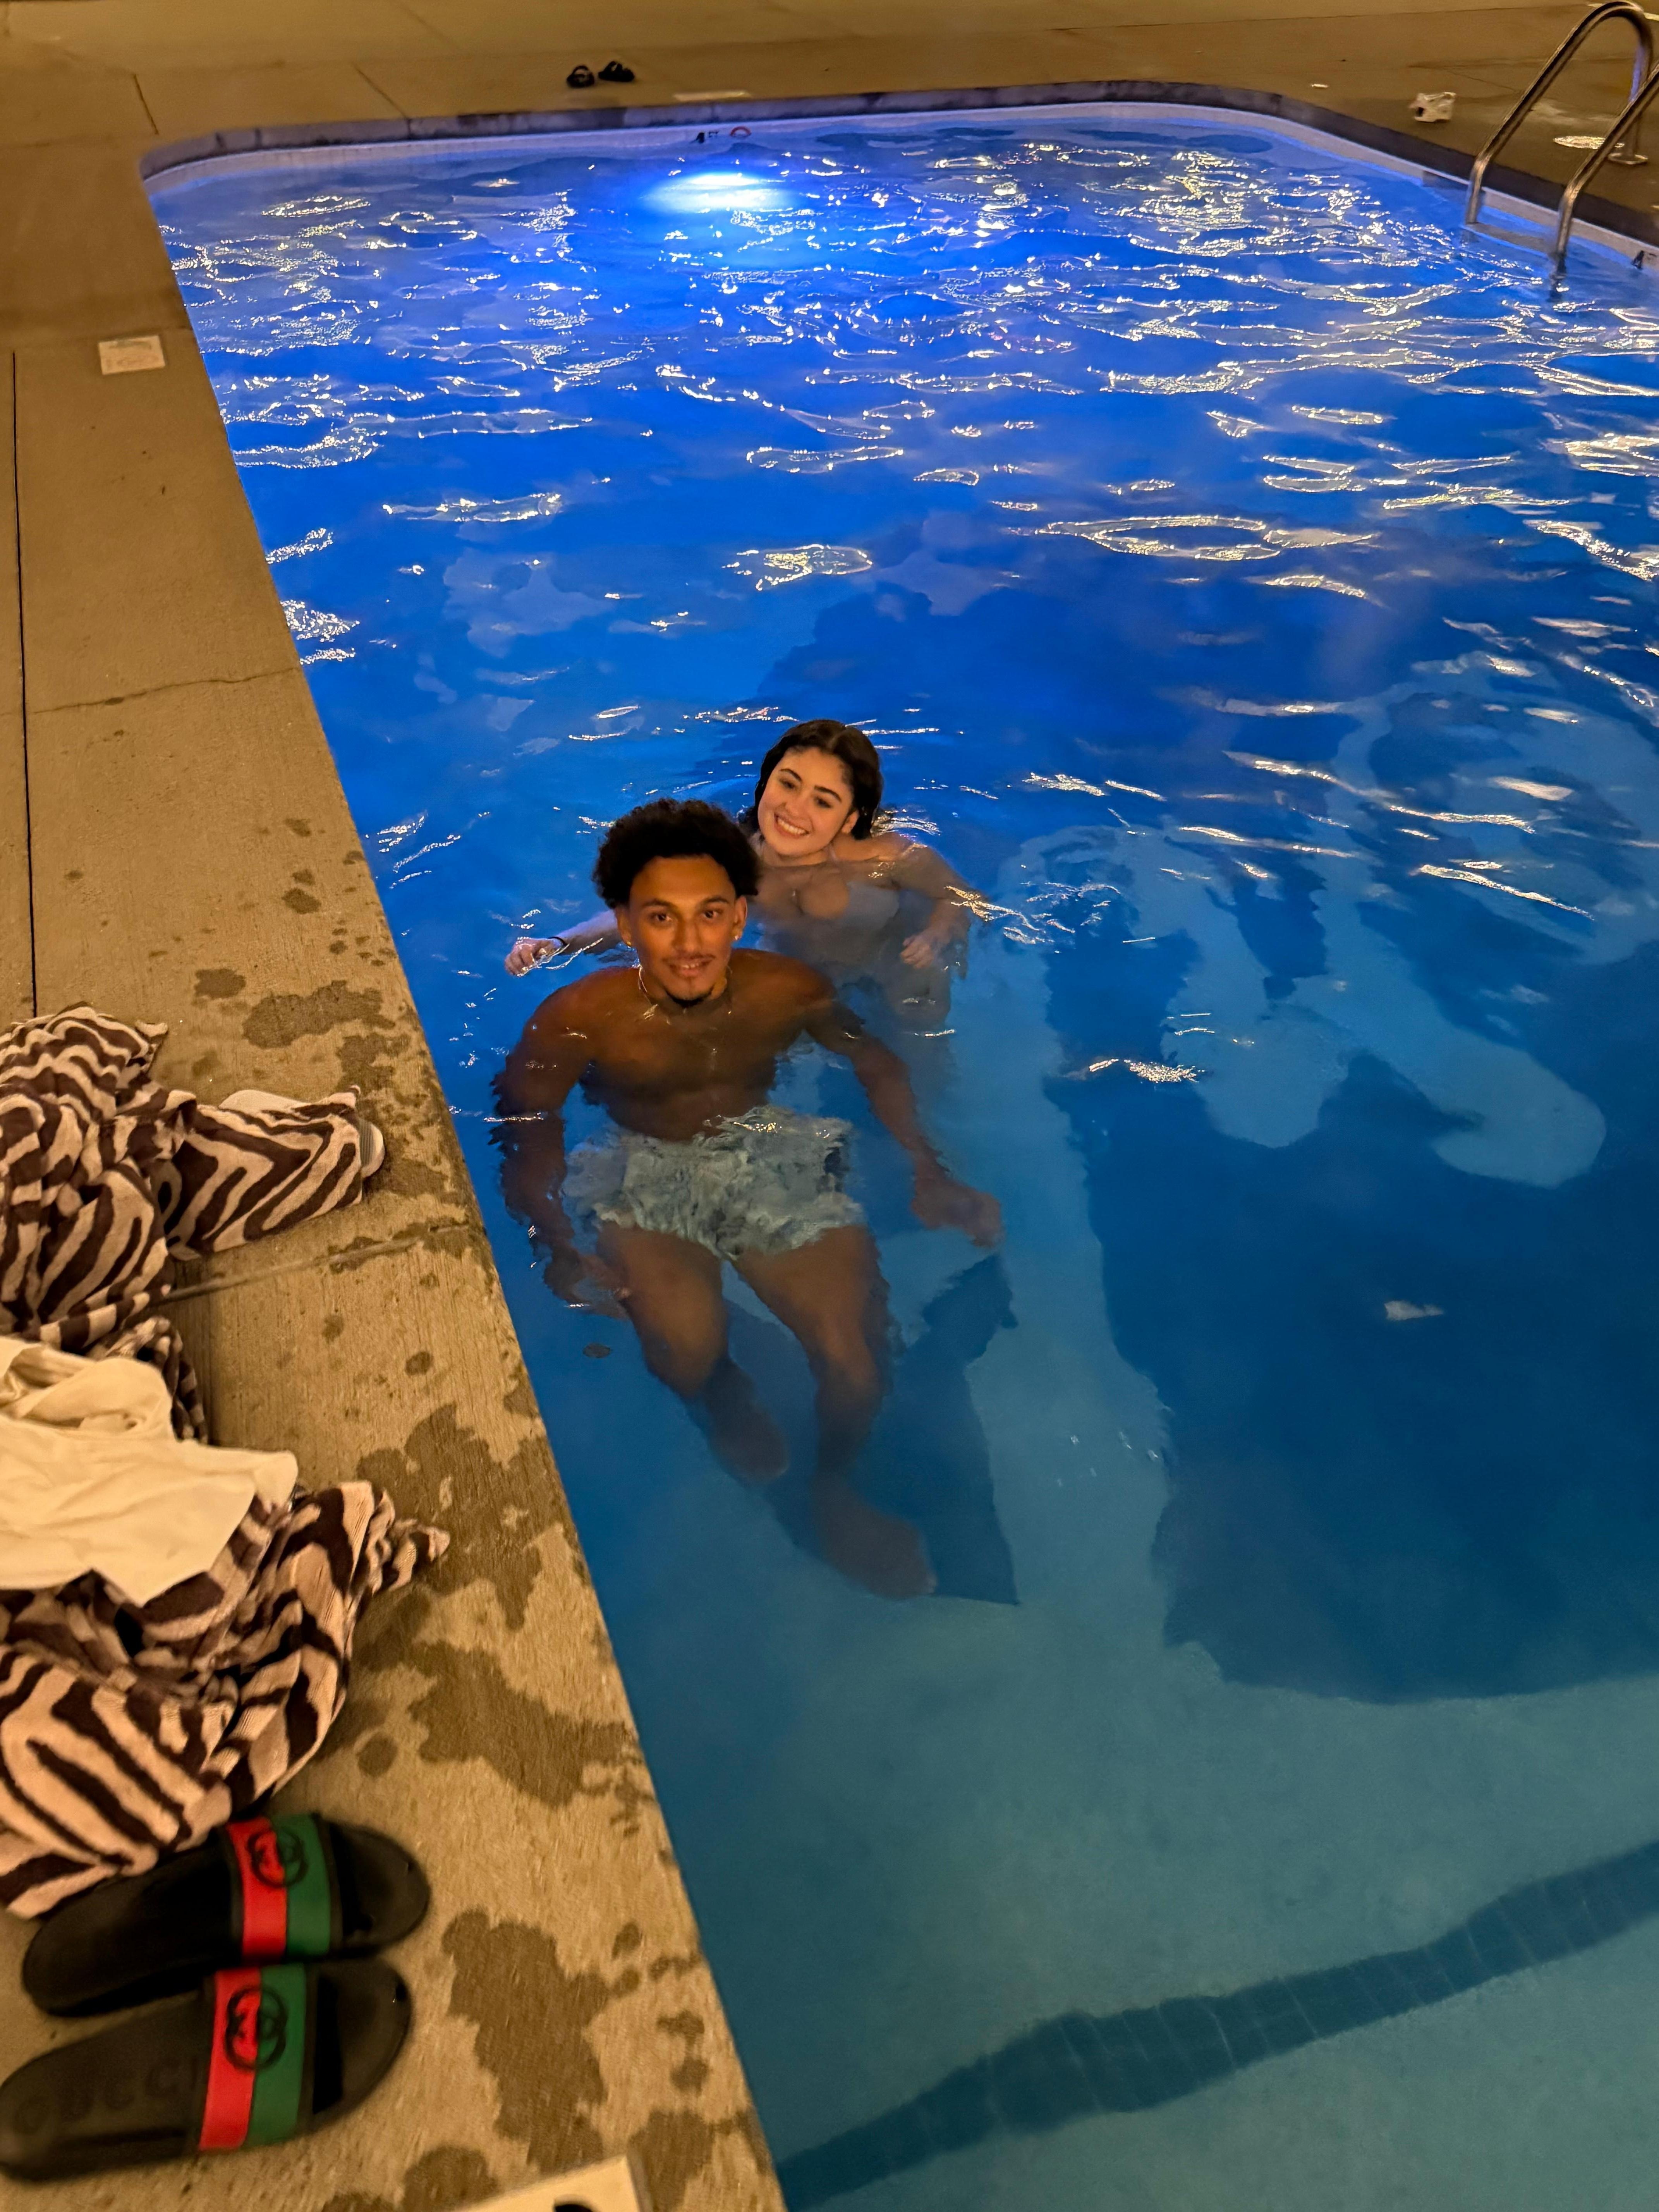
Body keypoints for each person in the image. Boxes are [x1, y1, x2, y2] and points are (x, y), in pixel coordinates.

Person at [493, 797, 1001, 1600]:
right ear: (623, 925)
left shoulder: (787, 990)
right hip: (641, 1168)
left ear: (739, 915)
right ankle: (722, 1389)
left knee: (857, 1364)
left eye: (709, 914)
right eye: (660, 917)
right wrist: (553, 1242)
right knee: (683, 1351)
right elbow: (526, 1128)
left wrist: (927, 1169)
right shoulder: (577, 1018)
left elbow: (874, 1063)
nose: (689, 943)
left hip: (764, 1149)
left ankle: (832, 1488)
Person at [505, 720, 978, 1027]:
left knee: (919, 1065)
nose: (794, 810)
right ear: (765, 782)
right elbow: (647, 910)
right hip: (796, 979)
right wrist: (560, 943)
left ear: (850, 819)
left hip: (895, 973)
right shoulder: (734, 855)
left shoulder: (890, 858)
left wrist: (936, 936)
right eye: (787, 784)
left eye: (823, 801)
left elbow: (961, 897)